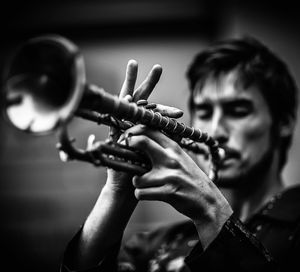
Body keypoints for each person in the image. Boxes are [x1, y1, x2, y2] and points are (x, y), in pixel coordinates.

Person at [60, 36, 300, 272]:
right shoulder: (153, 247)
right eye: (204, 113)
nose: (216, 130)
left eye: (238, 111)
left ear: (284, 122)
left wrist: (211, 212)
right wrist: (117, 193)